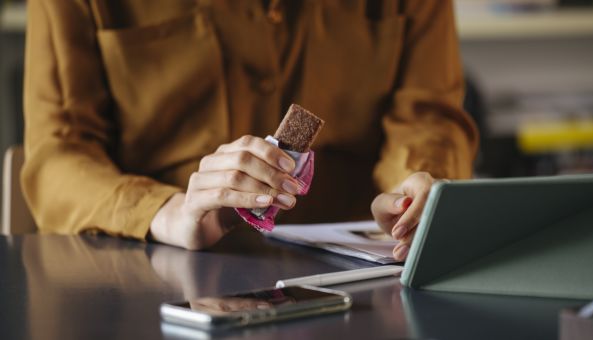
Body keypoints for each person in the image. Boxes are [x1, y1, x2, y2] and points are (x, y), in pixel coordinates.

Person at [22, 0, 478, 261]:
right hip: (159, 270)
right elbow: (59, 154)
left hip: (364, 274)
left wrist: (414, 192)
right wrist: (168, 213)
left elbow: (427, 116)